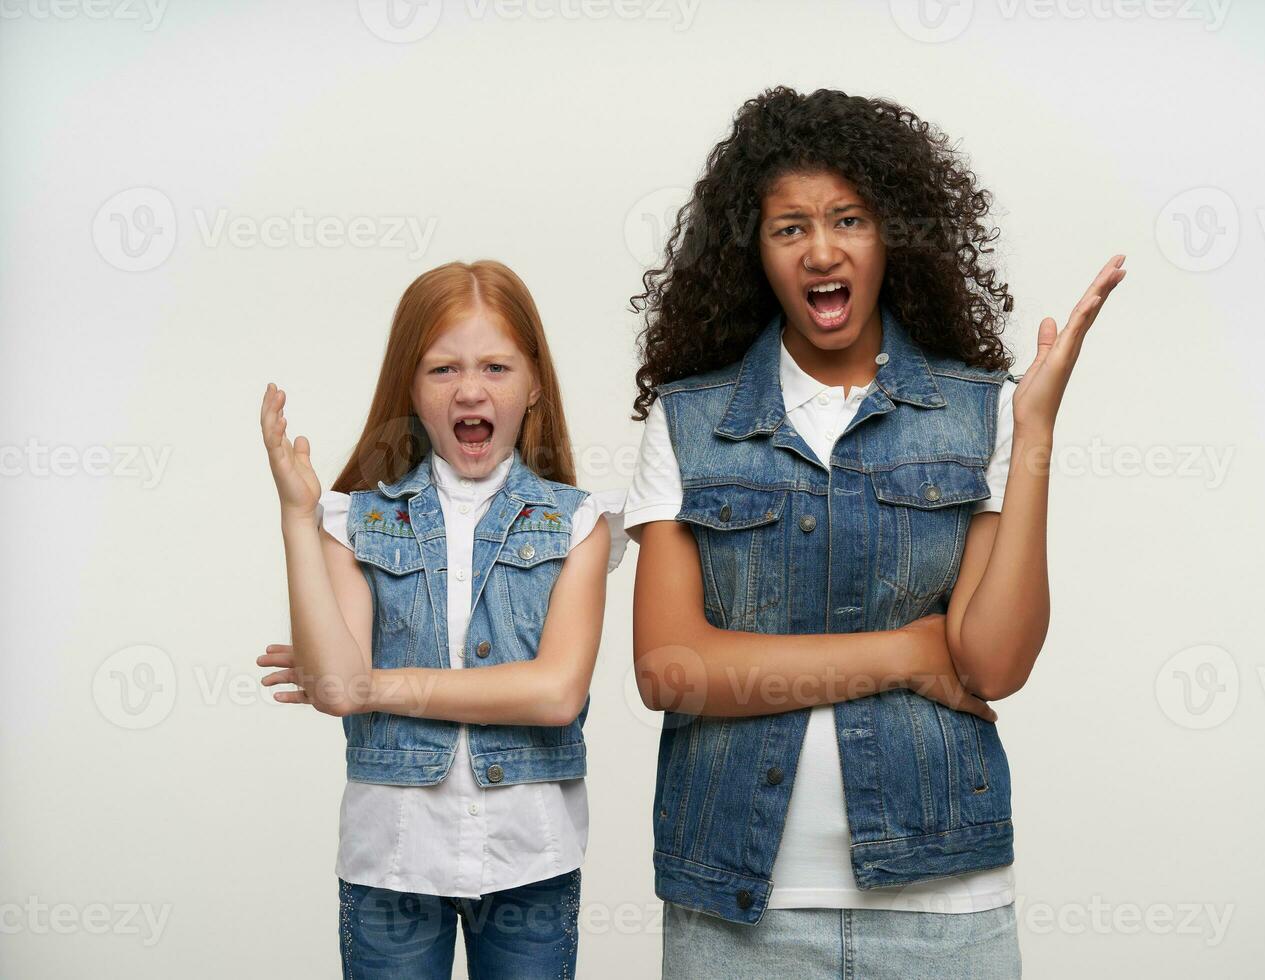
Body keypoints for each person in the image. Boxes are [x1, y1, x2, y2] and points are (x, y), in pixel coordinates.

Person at [623, 86, 1124, 978]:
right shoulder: (689, 422)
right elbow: (671, 668)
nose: (822, 249)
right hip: (738, 908)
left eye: (849, 219)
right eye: (790, 228)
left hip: (944, 903)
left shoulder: (983, 413)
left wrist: (1036, 431)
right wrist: (906, 654)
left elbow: (994, 664)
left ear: (893, 236)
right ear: (755, 253)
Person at [256, 259, 627, 979]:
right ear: (412, 390)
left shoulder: (579, 522)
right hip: (391, 857)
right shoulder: (352, 521)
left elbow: (554, 695)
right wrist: (299, 519)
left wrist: (378, 686)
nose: (470, 389)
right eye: (442, 370)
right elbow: (336, 687)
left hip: (531, 858)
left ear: (533, 385)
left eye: (495, 366)